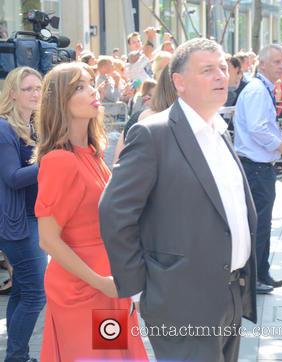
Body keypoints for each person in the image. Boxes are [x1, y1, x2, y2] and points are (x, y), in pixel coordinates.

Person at [100, 38, 257, 362]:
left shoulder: (219, 131)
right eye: (207, 70)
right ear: (179, 82)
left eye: (222, 68)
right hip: (180, 303)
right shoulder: (152, 134)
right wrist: (140, 289)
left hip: (229, 295)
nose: (220, 76)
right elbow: (115, 211)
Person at [34, 62, 148, 362]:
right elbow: (48, 240)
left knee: (114, 355)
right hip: (82, 289)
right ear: (61, 101)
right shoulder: (60, 160)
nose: (93, 91)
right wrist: (100, 282)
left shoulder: (93, 153)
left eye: (91, 83)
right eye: (80, 87)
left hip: (108, 281)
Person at [234, 44, 282, 294]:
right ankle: (254, 278)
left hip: (260, 168)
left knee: (263, 223)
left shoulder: (262, 89)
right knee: (258, 225)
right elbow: (258, 129)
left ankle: (262, 272)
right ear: (262, 64)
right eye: (277, 62)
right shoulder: (258, 91)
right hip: (256, 168)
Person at [0, 66, 47, 362]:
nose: (35, 94)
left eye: (38, 88)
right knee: (35, 295)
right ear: (12, 93)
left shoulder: (32, 126)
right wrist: (50, 161)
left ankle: (18, 355)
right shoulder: (4, 127)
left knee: (22, 290)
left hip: (32, 218)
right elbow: (13, 177)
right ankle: (16, 357)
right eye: (28, 89)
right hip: (17, 222)